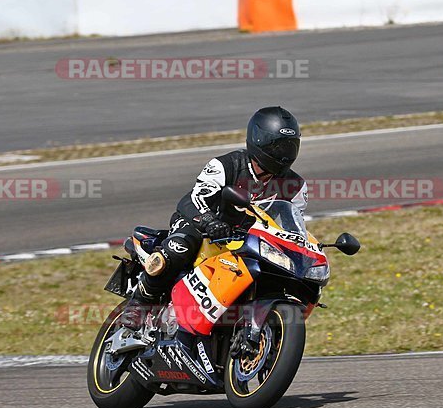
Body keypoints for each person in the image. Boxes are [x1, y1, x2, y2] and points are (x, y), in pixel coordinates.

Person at [120, 106, 308, 330]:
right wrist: (209, 220)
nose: (283, 153)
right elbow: (193, 198)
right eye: (277, 146)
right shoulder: (225, 165)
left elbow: (292, 225)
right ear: (259, 140)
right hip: (202, 227)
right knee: (177, 248)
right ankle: (140, 303)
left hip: (249, 241)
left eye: (289, 146)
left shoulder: (296, 186)